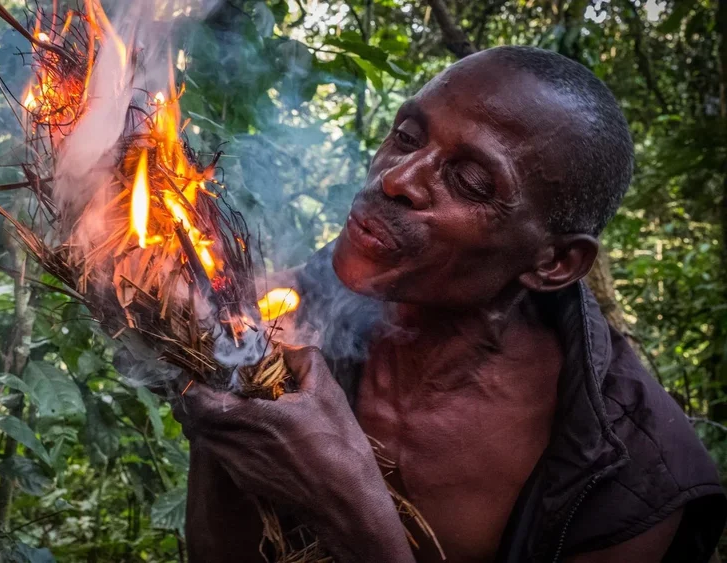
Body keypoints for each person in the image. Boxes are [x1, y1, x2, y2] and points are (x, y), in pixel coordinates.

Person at [173, 46, 727, 563]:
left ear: (553, 262)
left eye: (469, 181)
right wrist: (227, 390)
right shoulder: (288, 309)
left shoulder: (635, 475)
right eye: (408, 137)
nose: (396, 178)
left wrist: (353, 514)